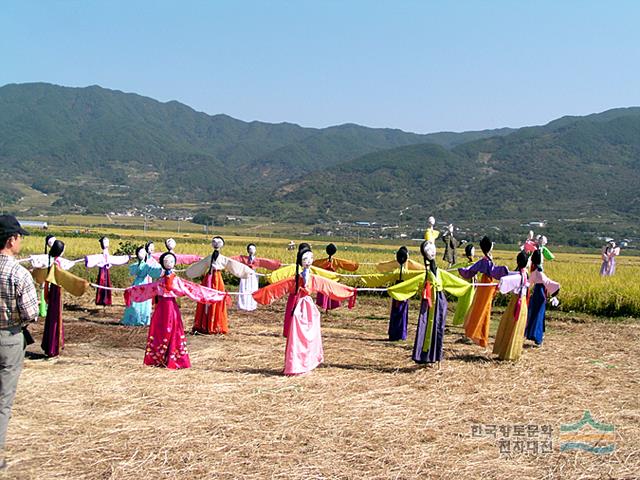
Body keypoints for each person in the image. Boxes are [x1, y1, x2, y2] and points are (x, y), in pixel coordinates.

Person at [252, 247, 357, 375]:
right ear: (300, 261)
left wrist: (349, 291)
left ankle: (308, 362)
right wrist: (259, 294)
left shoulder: (313, 278)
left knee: (310, 336)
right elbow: (277, 288)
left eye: (311, 258)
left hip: (309, 308)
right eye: (305, 259)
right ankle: (296, 365)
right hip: (298, 308)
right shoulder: (295, 279)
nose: (309, 261)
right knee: (297, 336)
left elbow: (329, 286)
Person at [0, 215, 38, 469]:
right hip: (9, 338)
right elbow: (31, 312)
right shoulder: (19, 273)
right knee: (3, 397)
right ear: (12, 239)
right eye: (19, 237)